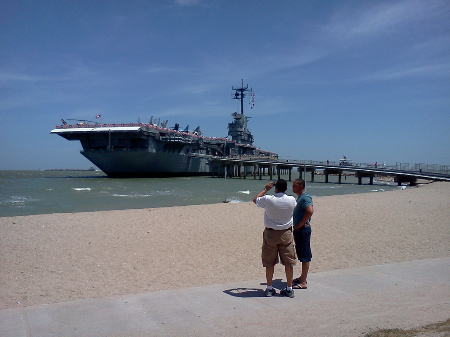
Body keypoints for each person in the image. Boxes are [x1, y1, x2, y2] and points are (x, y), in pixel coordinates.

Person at [253, 179, 297, 298]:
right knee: (288, 263)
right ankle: (289, 288)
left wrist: (266, 189)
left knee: (269, 263)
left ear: (275, 188)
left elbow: (255, 199)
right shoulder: (291, 200)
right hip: (286, 233)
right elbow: (294, 206)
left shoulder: (268, 199)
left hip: (271, 234)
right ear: (286, 189)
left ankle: (269, 288)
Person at [292, 179, 314, 289]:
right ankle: (302, 277)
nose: (292, 187)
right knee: (301, 254)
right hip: (300, 230)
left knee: (305, 255)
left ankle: (303, 282)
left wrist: (300, 224)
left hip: (303, 230)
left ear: (300, 186)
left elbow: (310, 211)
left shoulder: (305, 197)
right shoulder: (301, 197)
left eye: (294, 185)